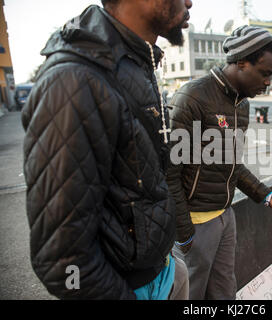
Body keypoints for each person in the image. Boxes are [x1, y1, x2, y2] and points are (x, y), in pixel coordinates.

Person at [21, 0, 193, 299]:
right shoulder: (74, 80)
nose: (190, 2)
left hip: (162, 271)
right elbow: (63, 263)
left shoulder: (133, 61)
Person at [166, 25, 272, 300]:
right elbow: (168, 174)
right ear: (241, 63)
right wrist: (184, 233)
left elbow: (231, 164)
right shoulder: (192, 97)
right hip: (194, 224)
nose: (268, 83)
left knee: (224, 289)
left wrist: (266, 195)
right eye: (264, 74)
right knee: (190, 293)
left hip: (225, 217)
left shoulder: (243, 105)